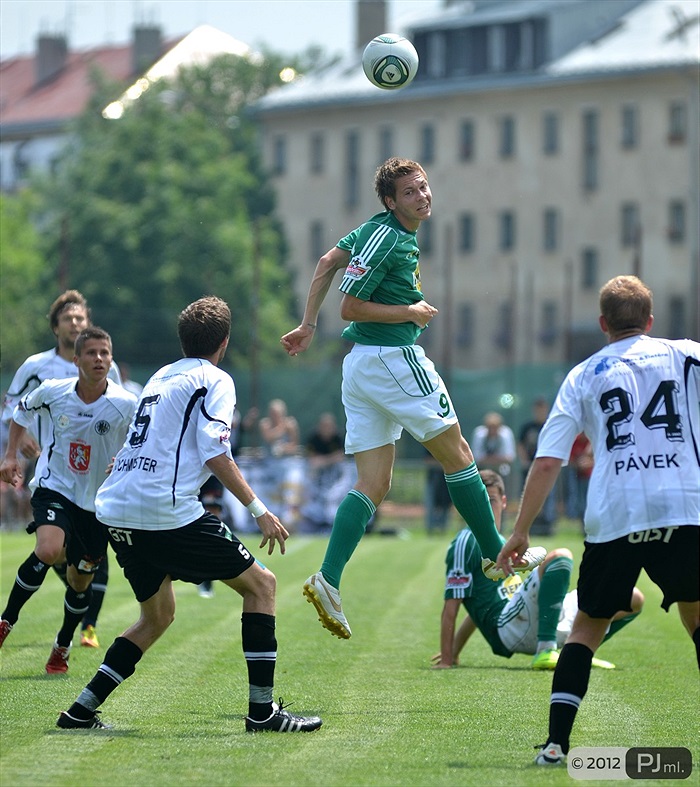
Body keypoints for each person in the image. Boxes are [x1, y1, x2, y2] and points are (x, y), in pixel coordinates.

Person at [280, 157, 545, 640]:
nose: (421, 196)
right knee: (458, 453)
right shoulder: (388, 237)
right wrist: (410, 310)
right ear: (389, 201)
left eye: (423, 187)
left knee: (374, 483)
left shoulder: (373, 230)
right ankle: (495, 554)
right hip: (392, 358)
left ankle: (329, 578)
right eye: (409, 192)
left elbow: (325, 262)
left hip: (362, 365)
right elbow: (351, 305)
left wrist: (307, 325)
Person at [56, 296, 322, 733]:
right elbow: (215, 449)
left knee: (156, 617)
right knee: (262, 586)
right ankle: (262, 713)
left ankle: (81, 710)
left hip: (117, 507)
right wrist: (260, 510)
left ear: (183, 340)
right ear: (225, 342)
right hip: (162, 508)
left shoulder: (162, 375)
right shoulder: (214, 378)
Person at [496, 275, 700, 766]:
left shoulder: (584, 374)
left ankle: (555, 746)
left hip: (617, 514)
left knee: (587, 629)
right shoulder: (689, 353)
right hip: (685, 505)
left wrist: (520, 529)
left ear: (603, 324)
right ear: (651, 321)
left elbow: (548, 461)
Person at [0, 327, 137, 672]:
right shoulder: (53, 392)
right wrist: (10, 455)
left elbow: (142, 440)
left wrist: (124, 458)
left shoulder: (125, 403)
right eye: (91, 353)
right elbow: (20, 413)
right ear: (76, 360)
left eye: (105, 354)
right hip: (55, 487)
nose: (99, 360)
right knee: (47, 549)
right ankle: (6, 622)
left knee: (80, 581)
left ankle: (62, 645)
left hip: (97, 504)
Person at [431, 470, 643, 671]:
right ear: (467, 505)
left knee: (632, 598)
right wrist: (448, 658)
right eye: (480, 501)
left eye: (492, 501)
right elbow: (454, 603)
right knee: (560, 556)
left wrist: (455, 650)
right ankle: (546, 648)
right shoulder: (465, 541)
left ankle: (581, 651)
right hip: (509, 627)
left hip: (528, 616)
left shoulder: (500, 541)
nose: (486, 507)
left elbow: (480, 605)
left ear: (504, 502)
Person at [299, 412, 355, 533]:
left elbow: (341, 457)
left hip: (336, 477)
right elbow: (312, 461)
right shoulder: (314, 438)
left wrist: (323, 460)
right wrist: (327, 460)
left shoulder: (338, 437)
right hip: (317, 478)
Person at [517, 398, 558, 535]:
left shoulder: (551, 425)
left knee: (548, 497)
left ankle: (548, 527)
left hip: (547, 468)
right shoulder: (528, 427)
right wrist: (524, 461)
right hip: (530, 467)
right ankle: (530, 527)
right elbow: (521, 445)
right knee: (529, 496)